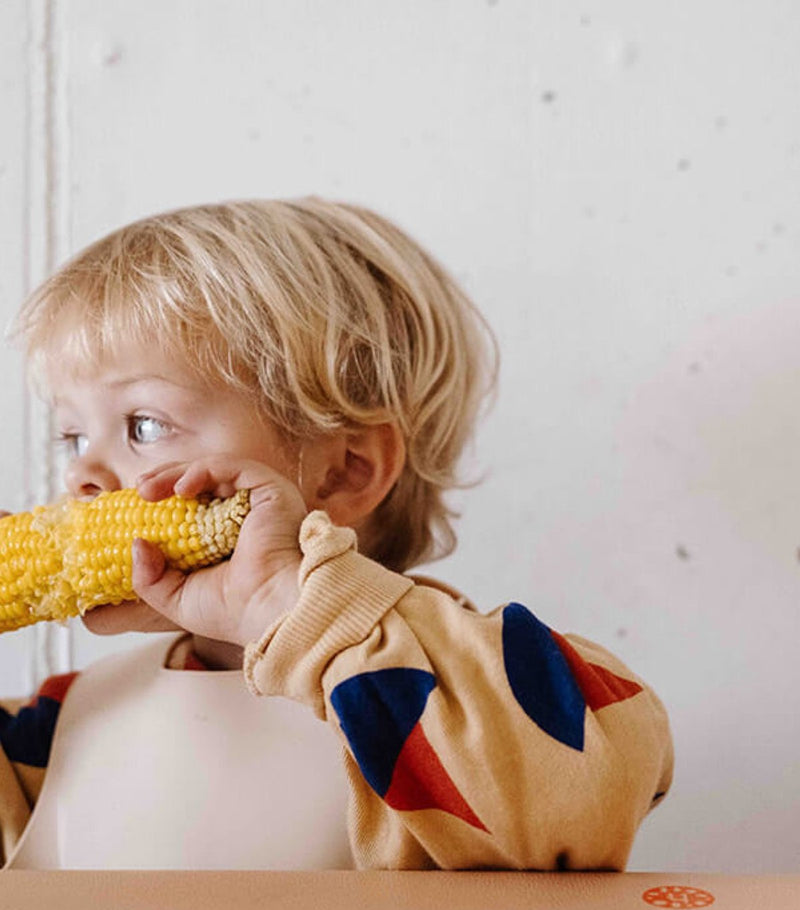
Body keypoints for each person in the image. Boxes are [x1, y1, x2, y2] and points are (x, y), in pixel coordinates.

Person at [0, 197, 673, 870]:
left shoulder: (437, 702)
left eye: (143, 425)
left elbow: (601, 777)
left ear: (344, 472)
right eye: (72, 435)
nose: (81, 476)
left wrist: (290, 601)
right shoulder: (61, 725)